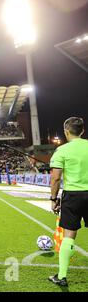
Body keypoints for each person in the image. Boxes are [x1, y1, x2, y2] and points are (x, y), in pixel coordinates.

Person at [48, 117, 88, 287]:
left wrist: (53, 199)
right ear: (82, 131)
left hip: (73, 197)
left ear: (66, 131)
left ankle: (62, 276)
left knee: (69, 235)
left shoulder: (61, 150)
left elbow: (56, 178)